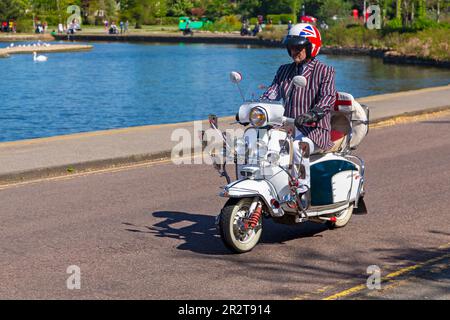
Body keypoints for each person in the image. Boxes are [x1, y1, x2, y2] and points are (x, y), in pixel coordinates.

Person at [261, 23, 337, 210]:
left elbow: (327, 100)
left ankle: (302, 193)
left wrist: (312, 114)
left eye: (299, 47)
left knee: (298, 147)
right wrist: (258, 108)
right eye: (291, 47)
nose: (294, 51)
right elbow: (272, 93)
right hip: (289, 127)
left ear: (311, 46)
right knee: (261, 143)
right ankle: (269, 188)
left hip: (314, 130)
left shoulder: (324, 71)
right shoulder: (284, 70)